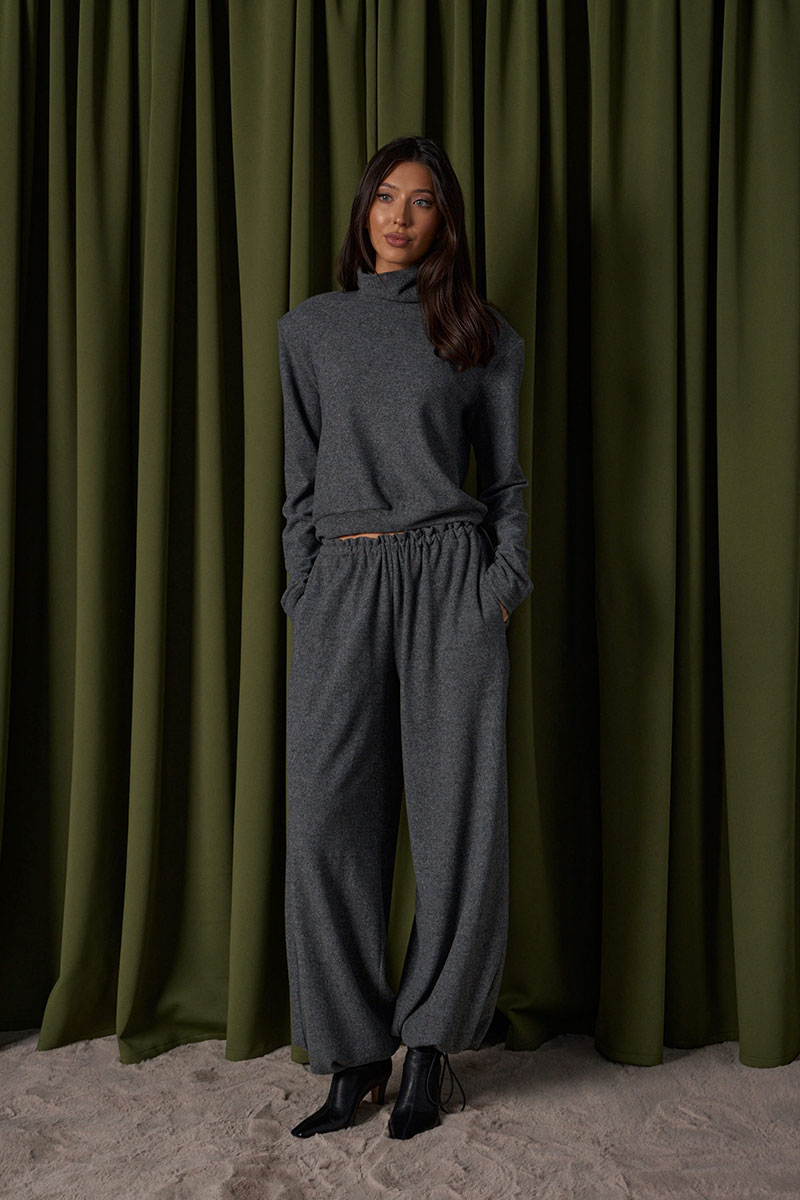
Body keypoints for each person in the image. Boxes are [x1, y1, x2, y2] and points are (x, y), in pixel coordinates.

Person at [278, 135, 534, 1140]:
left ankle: (428, 1048)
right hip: (342, 583)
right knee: (324, 825)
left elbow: (505, 481)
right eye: (385, 196)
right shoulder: (309, 330)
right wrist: (304, 587)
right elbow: (299, 484)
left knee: (457, 823)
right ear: (363, 210)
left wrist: (501, 586)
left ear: (444, 222)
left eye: (420, 202)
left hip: (449, 583)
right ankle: (352, 1056)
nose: (397, 216)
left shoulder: (479, 333)